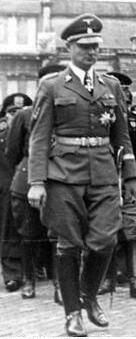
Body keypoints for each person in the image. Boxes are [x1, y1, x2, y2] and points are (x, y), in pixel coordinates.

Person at [28, 14, 136, 336]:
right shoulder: (51, 86)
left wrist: (130, 176)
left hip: (104, 171)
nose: (91, 53)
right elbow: (38, 137)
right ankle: (72, 313)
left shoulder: (111, 86)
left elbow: (122, 136)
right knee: (68, 243)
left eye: (96, 47)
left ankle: (89, 297)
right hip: (63, 174)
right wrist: (36, 182)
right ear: (70, 47)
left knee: (105, 239)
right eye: (85, 47)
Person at [7, 66, 64, 302]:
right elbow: (12, 151)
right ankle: (28, 281)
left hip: (60, 180)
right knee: (29, 235)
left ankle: (60, 285)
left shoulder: (69, 113)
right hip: (27, 182)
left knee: (59, 235)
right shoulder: (25, 115)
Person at [97, 72, 136, 299]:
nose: (124, 96)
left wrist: (131, 172)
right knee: (105, 230)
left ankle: (135, 281)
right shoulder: (101, 116)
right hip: (105, 179)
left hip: (130, 182)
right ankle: (106, 279)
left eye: (126, 92)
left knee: (132, 229)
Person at [1, 93, 32, 293]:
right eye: (13, 112)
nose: (18, 115)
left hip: (28, 186)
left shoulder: (34, 136)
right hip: (5, 189)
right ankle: (12, 273)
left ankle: (36, 270)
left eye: (22, 111)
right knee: (10, 229)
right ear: (5, 115)